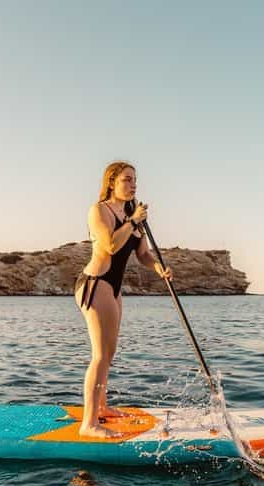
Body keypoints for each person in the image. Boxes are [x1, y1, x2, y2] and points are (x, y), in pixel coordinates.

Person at [74, 161, 173, 438]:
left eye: (135, 180)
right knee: (100, 355)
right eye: (127, 180)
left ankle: (101, 408)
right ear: (111, 182)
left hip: (114, 289)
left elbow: (143, 254)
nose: (133, 185)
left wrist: (158, 269)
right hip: (95, 284)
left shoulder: (133, 215)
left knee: (110, 354)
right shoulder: (99, 210)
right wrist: (132, 221)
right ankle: (89, 424)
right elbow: (110, 245)